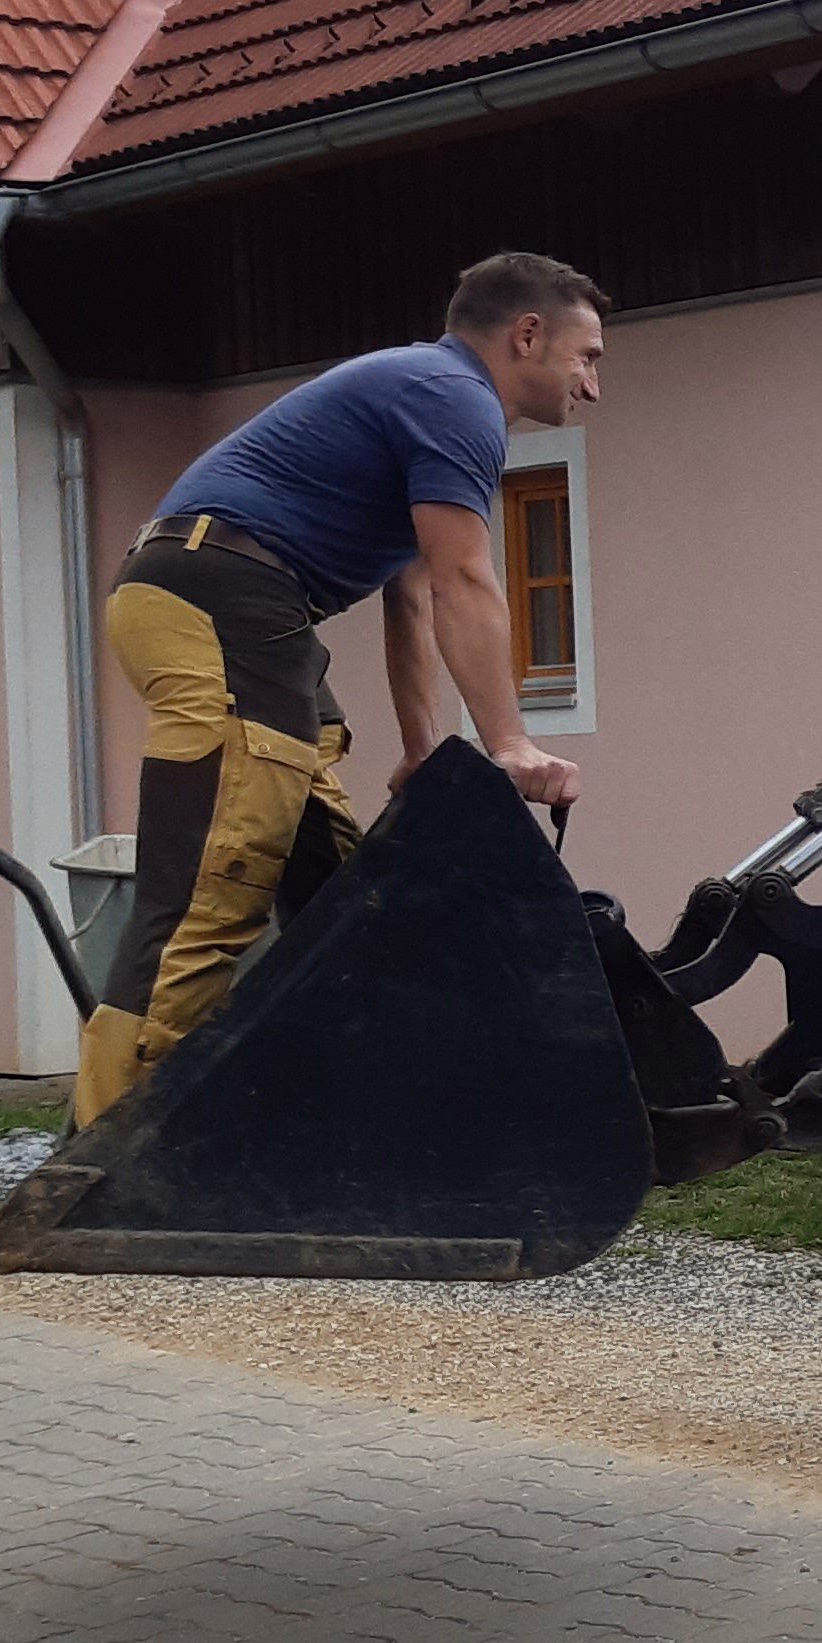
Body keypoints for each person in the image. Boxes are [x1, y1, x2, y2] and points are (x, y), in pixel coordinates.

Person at [74, 251, 603, 1125]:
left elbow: (413, 594)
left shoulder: (427, 393)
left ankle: (335, 1131)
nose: (591, 385)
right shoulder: (457, 398)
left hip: (235, 609)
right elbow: (465, 581)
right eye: (587, 357)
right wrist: (509, 743)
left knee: (333, 893)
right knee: (212, 890)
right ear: (527, 335)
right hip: (222, 599)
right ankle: (101, 1161)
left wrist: (423, 750)